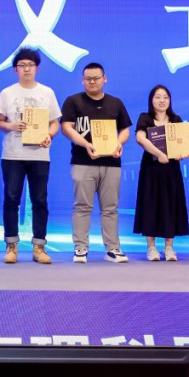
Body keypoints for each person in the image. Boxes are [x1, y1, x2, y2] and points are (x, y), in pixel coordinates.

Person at [60, 62, 132, 264]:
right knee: (82, 207)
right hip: (83, 162)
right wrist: (85, 144)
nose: (92, 81)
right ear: (82, 80)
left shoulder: (115, 103)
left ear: (104, 79)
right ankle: (80, 248)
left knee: (110, 208)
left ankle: (113, 248)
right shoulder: (73, 101)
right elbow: (66, 127)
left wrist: (119, 143)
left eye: (96, 78)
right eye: (88, 78)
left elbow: (125, 129)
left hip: (111, 163)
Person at [0, 48, 62, 264]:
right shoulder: (7, 93)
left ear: (37, 68)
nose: (26, 69)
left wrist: (49, 135)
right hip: (13, 155)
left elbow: (55, 122)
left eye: (30, 65)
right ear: (15, 69)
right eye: (22, 65)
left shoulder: (47, 92)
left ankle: (39, 247)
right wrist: (12, 125)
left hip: (40, 155)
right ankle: (11, 246)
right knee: (11, 199)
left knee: (39, 200)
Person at [132, 85, 189, 261]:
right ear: (151, 100)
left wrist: (182, 153)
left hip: (171, 169)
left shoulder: (176, 119)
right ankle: (151, 248)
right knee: (150, 204)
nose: (162, 100)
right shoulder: (145, 118)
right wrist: (158, 154)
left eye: (165, 97)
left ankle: (169, 248)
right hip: (151, 169)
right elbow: (140, 138)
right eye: (158, 97)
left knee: (170, 204)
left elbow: (183, 143)